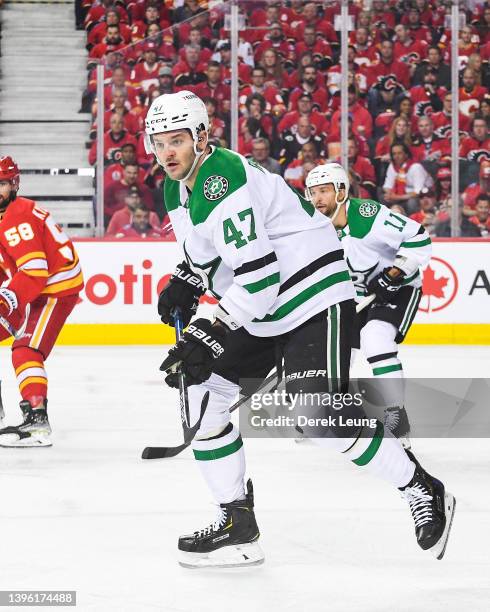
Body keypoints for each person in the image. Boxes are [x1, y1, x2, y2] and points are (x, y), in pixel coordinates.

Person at [144, 91, 455, 568]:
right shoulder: (176, 187)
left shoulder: (220, 179)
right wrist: (187, 279)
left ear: (201, 137)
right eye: (159, 141)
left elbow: (260, 276)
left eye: (178, 140)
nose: (167, 152)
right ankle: (237, 527)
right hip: (261, 305)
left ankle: (421, 487)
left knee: (320, 417)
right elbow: (210, 254)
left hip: (311, 296)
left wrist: (211, 329)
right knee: (204, 398)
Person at [306, 162, 432, 447]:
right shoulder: (316, 228)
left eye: (324, 191)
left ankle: (397, 416)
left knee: (375, 339)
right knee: (332, 349)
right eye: (312, 193)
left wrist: (394, 274)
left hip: (398, 289)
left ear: (341, 190)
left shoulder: (366, 215)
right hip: (357, 296)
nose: (317, 199)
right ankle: (333, 412)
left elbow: (418, 237)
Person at [0, 157, 84, 447]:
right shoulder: (7, 214)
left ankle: (37, 422)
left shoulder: (16, 215)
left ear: (14, 185)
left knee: (26, 349)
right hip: (37, 290)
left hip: (53, 290)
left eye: (1, 183)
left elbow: (35, 271)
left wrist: (6, 298)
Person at [383, 143, 433, 214]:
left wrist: (396, 197)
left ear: (406, 155)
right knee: (384, 199)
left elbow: (418, 192)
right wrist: (390, 195)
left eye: (399, 153)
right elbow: (387, 186)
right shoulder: (392, 166)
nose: (396, 156)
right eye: (394, 154)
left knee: (412, 202)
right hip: (400, 195)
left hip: (422, 196)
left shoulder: (416, 167)